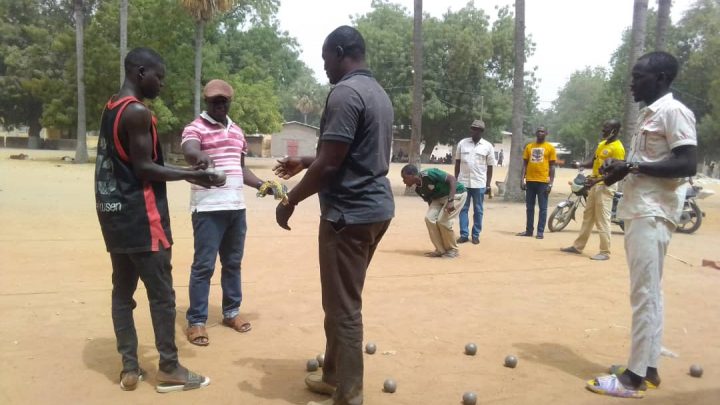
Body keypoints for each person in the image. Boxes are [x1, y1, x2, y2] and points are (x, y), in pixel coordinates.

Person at [273, 26, 394, 405]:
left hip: (348, 216)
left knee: (344, 308)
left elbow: (330, 165)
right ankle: (332, 376)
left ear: (340, 52)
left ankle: (348, 396)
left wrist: (290, 200)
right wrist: (305, 160)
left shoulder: (344, 93)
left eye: (326, 58)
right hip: (375, 210)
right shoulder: (378, 93)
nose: (323, 66)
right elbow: (346, 155)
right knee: (339, 299)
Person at [94, 47, 215, 393]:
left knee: (122, 294)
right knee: (162, 296)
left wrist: (188, 172)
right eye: (158, 76)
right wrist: (194, 175)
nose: (161, 83)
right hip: (143, 220)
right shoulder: (136, 113)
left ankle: (130, 368)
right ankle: (170, 368)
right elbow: (144, 168)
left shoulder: (111, 107)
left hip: (114, 217)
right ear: (141, 72)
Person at [586, 51, 697, 399]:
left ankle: (632, 380)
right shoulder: (652, 114)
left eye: (639, 76)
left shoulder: (674, 112)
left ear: (661, 77)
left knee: (644, 294)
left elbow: (687, 162)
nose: (632, 83)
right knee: (651, 292)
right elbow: (650, 162)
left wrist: (633, 168)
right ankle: (647, 368)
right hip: (641, 210)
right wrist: (625, 167)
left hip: (652, 212)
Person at [181, 79, 274, 346]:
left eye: (223, 101)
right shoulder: (195, 127)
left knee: (232, 264)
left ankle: (231, 311)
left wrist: (262, 184)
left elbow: (240, 168)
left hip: (236, 207)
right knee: (203, 266)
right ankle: (197, 320)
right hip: (208, 208)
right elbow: (189, 150)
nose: (219, 106)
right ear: (207, 103)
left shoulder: (238, 131)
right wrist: (200, 158)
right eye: (214, 102)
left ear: (229, 102)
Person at [561, 120, 625, 260]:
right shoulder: (602, 144)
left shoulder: (618, 148)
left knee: (602, 219)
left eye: (606, 129)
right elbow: (592, 161)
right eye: (603, 128)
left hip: (606, 185)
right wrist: (579, 164)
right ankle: (578, 246)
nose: (603, 131)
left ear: (614, 130)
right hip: (594, 184)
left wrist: (598, 180)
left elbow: (616, 172)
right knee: (588, 217)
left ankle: (605, 252)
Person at [401, 164, 468, 258]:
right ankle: (440, 250)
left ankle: (453, 250)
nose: (403, 181)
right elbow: (430, 201)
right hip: (438, 198)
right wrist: (434, 216)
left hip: (456, 193)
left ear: (412, 175)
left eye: (404, 177)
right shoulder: (418, 189)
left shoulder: (429, 174)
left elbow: (452, 179)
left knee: (443, 221)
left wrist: (450, 201)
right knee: (429, 219)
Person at [454, 119, 496, 245]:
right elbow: (457, 162)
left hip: (479, 183)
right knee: (463, 209)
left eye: (476, 129)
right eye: (472, 128)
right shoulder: (462, 143)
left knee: (478, 210)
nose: (473, 131)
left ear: (481, 131)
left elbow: (490, 167)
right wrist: (456, 180)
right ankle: (464, 234)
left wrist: (488, 184)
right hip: (463, 182)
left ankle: (476, 234)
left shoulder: (488, 146)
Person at [517, 127, 556, 239]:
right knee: (529, 207)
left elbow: (552, 166)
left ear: (546, 133)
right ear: (536, 133)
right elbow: (524, 165)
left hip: (543, 182)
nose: (540, 133)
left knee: (543, 208)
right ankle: (529, 231)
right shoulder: (529, 147)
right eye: (538, 131)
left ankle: (540, 232)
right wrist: (522, 179)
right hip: (530, 181)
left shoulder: (550, 148)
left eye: (543, 131)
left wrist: (551, 183)